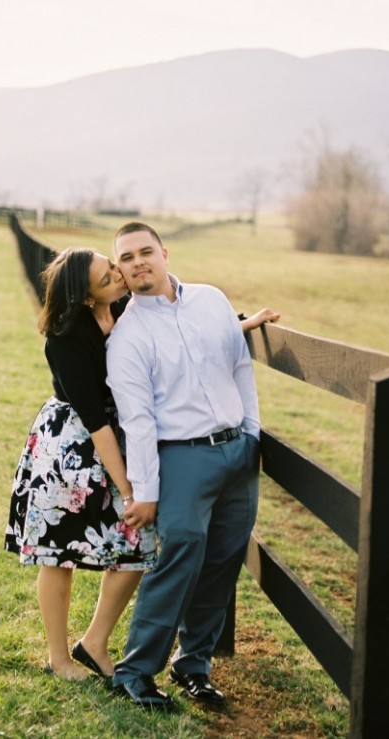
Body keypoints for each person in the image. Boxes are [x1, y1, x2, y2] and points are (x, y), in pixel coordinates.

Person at [5, 246, 277, 682]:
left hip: (123, 436)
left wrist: (242, 324)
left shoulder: (126, 305)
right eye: (106, 277)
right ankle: (58, 658)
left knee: (138, 542)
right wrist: (131, 489)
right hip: (73, 446)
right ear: (85, 296)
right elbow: (95, 422)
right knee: (58, 554)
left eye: (112, 267)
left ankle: (94, 642)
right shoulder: (66, 338)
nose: (119, 275)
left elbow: (182, 335)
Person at [106, 222, 266, 711]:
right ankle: (136, 670)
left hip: (237, 450)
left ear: (165, 252)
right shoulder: (127, 337)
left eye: (145, 252)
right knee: (180, 555)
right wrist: (146, 491)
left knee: (223, 559)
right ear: (121, 270)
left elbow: (239, 365)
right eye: (127, 258)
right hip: (181, 456)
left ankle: (192, 665)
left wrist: (252, 431)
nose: (137, 263)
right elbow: (138, 420)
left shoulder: (212, 301)